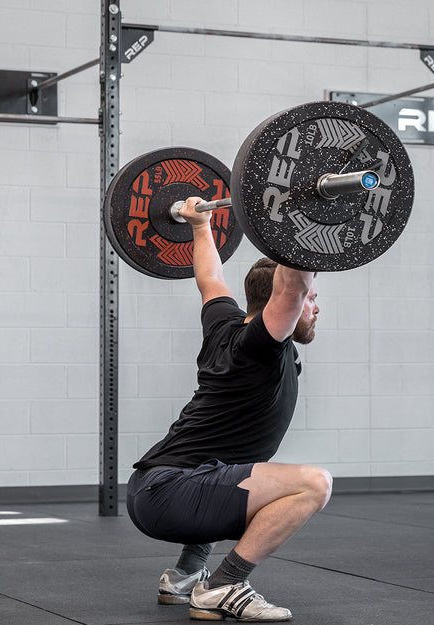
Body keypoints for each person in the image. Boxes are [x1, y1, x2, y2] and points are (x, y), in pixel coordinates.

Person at [126, 196, 332, 622]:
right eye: (310, 297)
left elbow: (209, 276)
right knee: (313, 484)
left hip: (154, 489)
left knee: (237, 472)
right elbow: (289, 287)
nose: (314, 307)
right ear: (282, 300)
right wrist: (309, 213)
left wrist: (199, 225)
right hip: (170, 496)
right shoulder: (261, 344)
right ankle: (224, 584)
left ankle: (185, 576)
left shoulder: (223, 322)